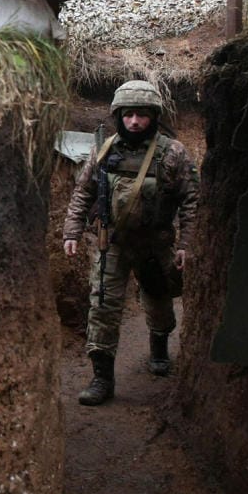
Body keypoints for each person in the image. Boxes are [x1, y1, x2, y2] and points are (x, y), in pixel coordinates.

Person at [62, 80, 199, 406]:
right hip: (113, 244)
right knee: (103, 305)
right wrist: (72, 231)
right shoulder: (105, 149)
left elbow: (191, 200)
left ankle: (158, 347)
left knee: (158, 299)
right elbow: (84, 192)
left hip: (154, 244)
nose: (134, 122)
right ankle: (102, 379)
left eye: (142, 115)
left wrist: (185, 244)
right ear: (118, 115)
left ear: (153, 116)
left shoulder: (173, 153)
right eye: (128, 115)